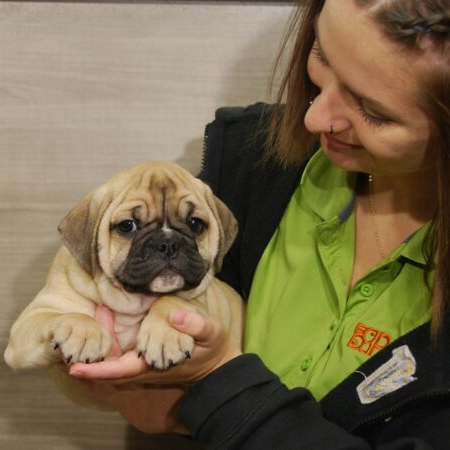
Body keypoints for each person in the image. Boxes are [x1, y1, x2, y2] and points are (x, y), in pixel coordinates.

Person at [67, 0, 450, 448]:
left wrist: (219, 385)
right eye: (322, 55)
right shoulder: (251, 162)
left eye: (373, 112)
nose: (313, 118)